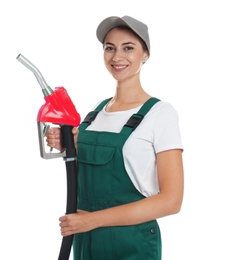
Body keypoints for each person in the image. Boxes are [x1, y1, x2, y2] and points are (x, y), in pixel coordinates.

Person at [46, 15, 184, 260]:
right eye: (110, 48)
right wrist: (70, 145)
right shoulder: (96, 113)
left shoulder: (160, 114)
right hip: (85, 240)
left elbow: (171, 201)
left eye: (128, 48)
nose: (117, 57)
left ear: (146, 54)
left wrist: (92, 221)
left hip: (131, 244)